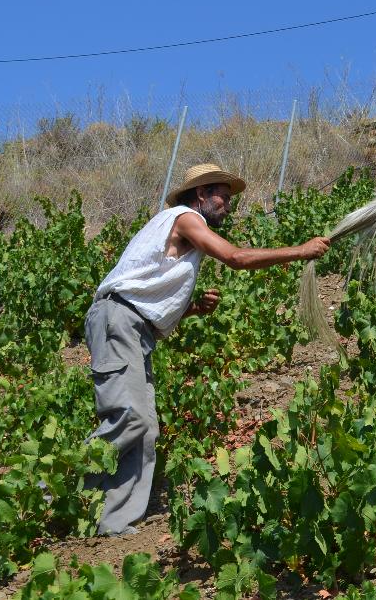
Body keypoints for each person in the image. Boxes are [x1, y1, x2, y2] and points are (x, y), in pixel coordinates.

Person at [84, 162, 330, 535]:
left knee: (146, 428)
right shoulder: (183, 218)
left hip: (136, 328)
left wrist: (193, 308)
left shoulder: (181, 230)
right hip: (118, 320)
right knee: (129, 417)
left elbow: (148, 297)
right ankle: (56, 482)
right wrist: (300, 251)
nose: (228, 205)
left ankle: (114, 524)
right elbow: (236, 258)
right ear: (201, 194)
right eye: (223, 197)